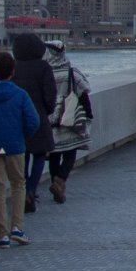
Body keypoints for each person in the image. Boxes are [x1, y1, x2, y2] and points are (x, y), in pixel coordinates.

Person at [0, 49, 42, 248]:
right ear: (12, 71)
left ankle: (2, 234)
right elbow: (33, 121)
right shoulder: (19, 94)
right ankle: (17, 227)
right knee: (18, 184)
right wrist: (22, 135)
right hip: (15, 145)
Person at [9, 33, 57, 212]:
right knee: (39, 155)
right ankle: (31, 189)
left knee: (22, 156)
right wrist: (46, 111)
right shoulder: (44, 67)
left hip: (18, 119)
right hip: (39, 117)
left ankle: (23, 192)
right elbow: (50, 94)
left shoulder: (14, 67)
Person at [43, 39, 93, 203]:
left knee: (54, 154)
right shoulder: (71, 71)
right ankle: (60, 180)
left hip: (51, 119)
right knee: (70, 152)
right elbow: (84, 92)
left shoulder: (45, 73)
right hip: (70, 117)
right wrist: (88, 115)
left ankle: (55, 183)